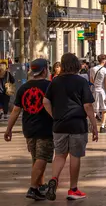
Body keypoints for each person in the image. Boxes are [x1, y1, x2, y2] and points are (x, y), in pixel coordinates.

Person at [43, 53, 98, 201]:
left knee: (60, 155)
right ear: (76, 65)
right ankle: (73, 189)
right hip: (77, 124)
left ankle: (54, 179)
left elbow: (45, 102)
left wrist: (54, 115)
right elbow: (87, 105)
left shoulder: (55, 81)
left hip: (59, 124)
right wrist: (94, 125)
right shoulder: (81, 82)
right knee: (75, 156)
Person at [4, 59, 54, 201]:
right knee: (42, 158)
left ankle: (39, 186)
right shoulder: (50, 86)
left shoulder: (24, 88)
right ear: (44, 70)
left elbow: (15, 111)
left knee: (36, 158)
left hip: (29, 128)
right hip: (45, 128)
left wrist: (9, 129)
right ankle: (33, 188)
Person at [89, 56, 106, 133]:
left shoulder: (92, 69)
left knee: (94, 110)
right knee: (104, 109)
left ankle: (92, 126)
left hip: (94, 91)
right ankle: (102, 126)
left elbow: (91, 82)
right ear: (104, 61)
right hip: (102, 91)